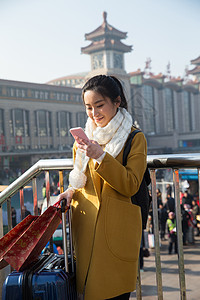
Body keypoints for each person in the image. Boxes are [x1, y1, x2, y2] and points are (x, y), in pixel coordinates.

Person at [58, 75, 147, 300]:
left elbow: (131, 184)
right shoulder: (83, 139)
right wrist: (70, 192)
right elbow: (80, 181)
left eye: (99, 105)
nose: (94, 113)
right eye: (89, 107)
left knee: (112, 291)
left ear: (117, 102)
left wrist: (101, 156)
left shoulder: (134, 138)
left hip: (116, 231)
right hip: (85, 229)